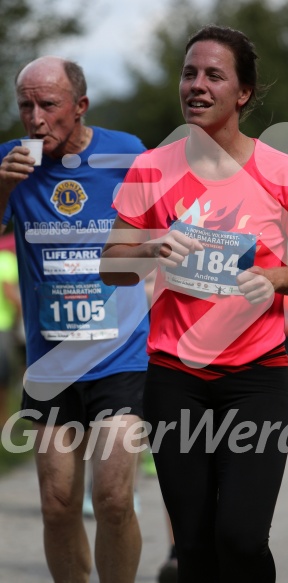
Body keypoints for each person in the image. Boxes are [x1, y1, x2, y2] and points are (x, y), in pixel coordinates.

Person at [100, 25, 288, 583]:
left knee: (242, 539)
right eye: (189, 73)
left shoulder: (281, 172)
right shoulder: (151, 169)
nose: (197, 85)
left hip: (257, 378)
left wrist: (273, 279)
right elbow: (111, 265)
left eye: (213, 75)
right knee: (196, 548)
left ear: (243, 92)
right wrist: (151, 247)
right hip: (175, 377)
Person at [0, 56, 149, 583]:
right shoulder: (10, 163)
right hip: (51, 362)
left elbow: (171, 220)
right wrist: (3, 188)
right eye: (25, 105)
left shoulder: (127, 153)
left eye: (48, 105)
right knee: (57, 504)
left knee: (111, 498)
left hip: (121, 354)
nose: (35, 119)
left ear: (80, 106)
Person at [0, 245, 22, 428]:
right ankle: (4, 423)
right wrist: (20, 320)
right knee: (4, 379)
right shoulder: (6, 260)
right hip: (3, 327)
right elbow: (10, 294)